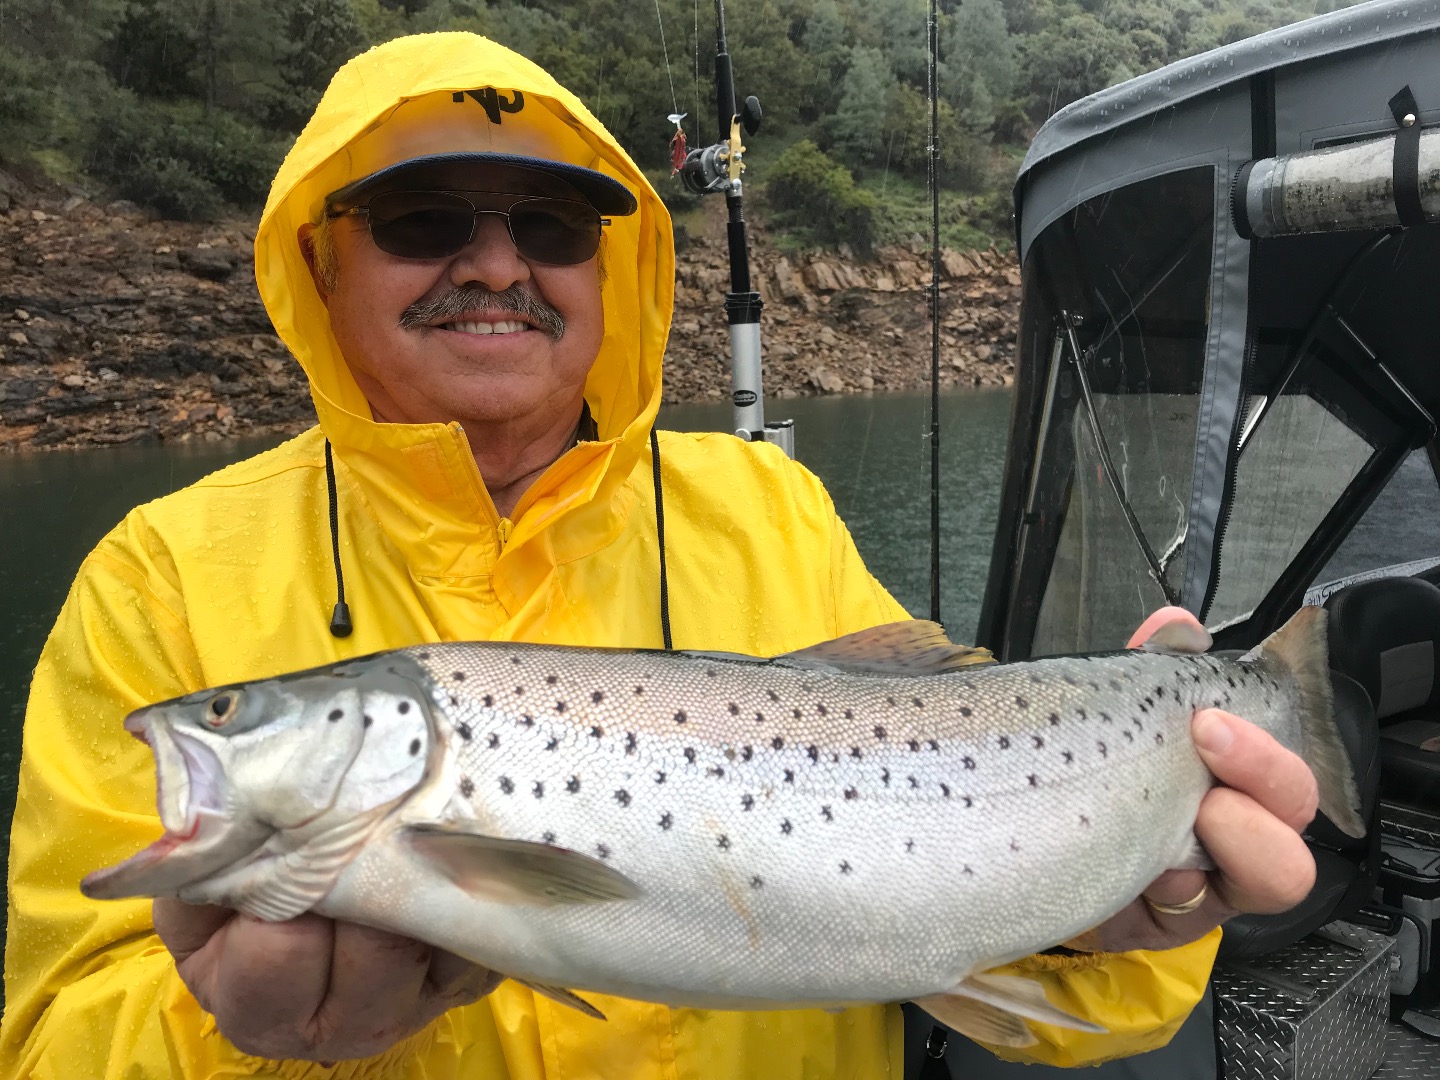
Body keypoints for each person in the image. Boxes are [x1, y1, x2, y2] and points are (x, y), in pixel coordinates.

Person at [1, 32, 1323, 1080]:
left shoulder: (766, 506)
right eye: (421, 220)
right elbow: (56, 1039)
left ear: (605, 271)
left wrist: (1113, 924)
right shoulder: (157, 574)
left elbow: (1002, 956)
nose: (498, 263)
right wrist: (250, 1050)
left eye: (556, 226)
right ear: (317, 262)